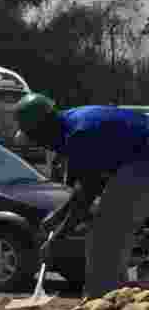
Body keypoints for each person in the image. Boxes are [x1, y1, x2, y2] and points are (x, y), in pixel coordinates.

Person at [14, 93, 149, 298]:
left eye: (35, 139)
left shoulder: (79, 134)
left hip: (143, 161)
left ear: (42, 128)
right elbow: (84, 186)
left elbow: (88, 191)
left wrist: (57, 238)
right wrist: (58, 215)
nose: (40, 146)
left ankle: (102, 300)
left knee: (106, 233)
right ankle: (113, 295)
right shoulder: (70, 122)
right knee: (108, 230)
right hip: (137, 159)